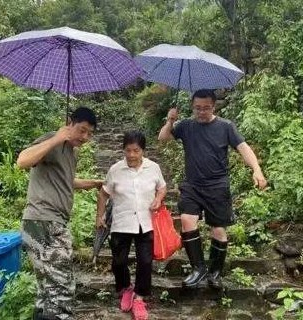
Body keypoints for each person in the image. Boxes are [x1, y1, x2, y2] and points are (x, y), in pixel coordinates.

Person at [158, 89, 267, 289]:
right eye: (197, 108)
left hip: (217, 185)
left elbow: (243, 148)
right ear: (192, 107)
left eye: (206, 108)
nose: (201, 112)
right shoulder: (186, 125)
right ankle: (198, 268)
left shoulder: (225, 126)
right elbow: (163, 138)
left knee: (218, 229)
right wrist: (170, 121)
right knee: (186, 220)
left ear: (213, 106)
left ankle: (215, 272)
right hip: (192, 185)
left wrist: (257, 170)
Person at [17, 107, 103, 320]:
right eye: (81, 130)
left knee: (46, 289)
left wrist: (92, 183)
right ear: (68, 123)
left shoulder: (71, 152)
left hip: (44, 222)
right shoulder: (52, 141)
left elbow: (65, 181)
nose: (85, 137)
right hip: (45, 222)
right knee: (62, 287)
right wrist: (56, 138)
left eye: (89, 133)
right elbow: (23, 160)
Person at [96, 130, 166, 320]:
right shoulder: (115, 169)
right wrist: (100, 216)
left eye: (136, 151)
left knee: (145, 261)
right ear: (123, 150)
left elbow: (162, 187)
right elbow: (103, 194)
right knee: (119, 261)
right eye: (128, 150)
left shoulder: (153, 168)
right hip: (121, 222)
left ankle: (140, 297)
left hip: (146, 222)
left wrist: (158, 199)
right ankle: (125, 288)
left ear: (143, 150)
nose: (132, 155)